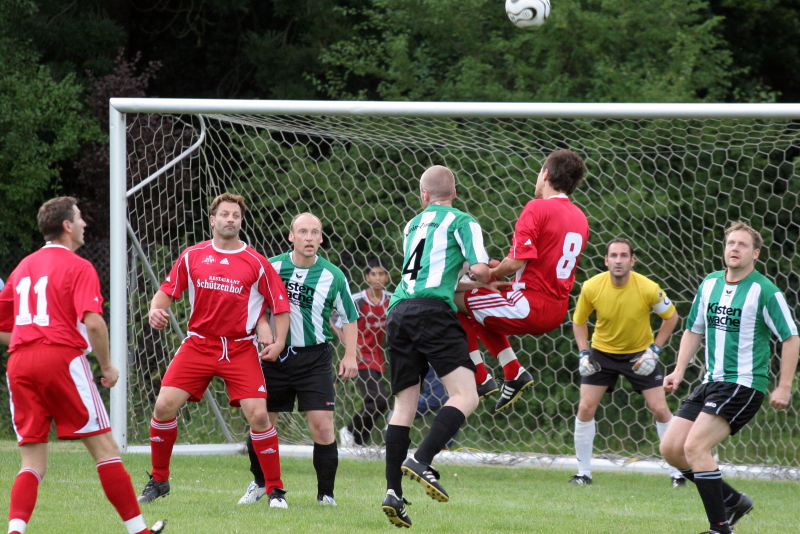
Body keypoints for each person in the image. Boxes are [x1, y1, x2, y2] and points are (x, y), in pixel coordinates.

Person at [0, 197, 165, 534]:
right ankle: (140, 531)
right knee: (106, 449)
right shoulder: (78, 266)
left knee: (32, 461)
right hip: (61, 359)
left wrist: (32, 339)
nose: (84, 223)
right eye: (79, 218)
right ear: (67, 226)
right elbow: (94, 324)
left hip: (19, 362)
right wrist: (107, 367)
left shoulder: (23, 267)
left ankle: (15, 531)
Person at [137, 192, 290, 508]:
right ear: (212, 220)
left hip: (240, 348)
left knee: (259, 415)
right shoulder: (192, 256)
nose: (230, 219)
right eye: (224, 214)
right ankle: (159, 480)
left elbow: (279, 304)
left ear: (241, 221)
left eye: (235, 215)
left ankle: (275, 490)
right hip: (198, 344)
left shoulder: (257, 262)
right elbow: (166, 292)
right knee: (163, 406)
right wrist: (155, 310)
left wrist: (279, 342)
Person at [660, 221, 799, 534]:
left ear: (756, 253)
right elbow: (693, 329)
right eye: (730, 243)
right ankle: (733, 501)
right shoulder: (710, 283)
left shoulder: (765, 291)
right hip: (712, 381)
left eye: (742, 244)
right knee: (671, 448)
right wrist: (679, 370)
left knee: (695, 446)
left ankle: (720, 528)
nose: (735, 248)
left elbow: (791, 337)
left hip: (744, 384)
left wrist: (784, 386)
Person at [381, 165, 492, 528]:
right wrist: (490, 275)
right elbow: (479, 270)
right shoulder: (463, 221)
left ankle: (393, 492)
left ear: (424, 195)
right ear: (454, 193)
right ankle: (422, 458)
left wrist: (466, 279)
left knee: (404, 406)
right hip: (432, 313)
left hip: (398, 312)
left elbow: (435, 273)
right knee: (466, 395)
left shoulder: (412, 225)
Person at [239, 212, 359, 507]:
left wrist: (350, 355)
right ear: (291, 236)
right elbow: (253, 304)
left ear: (321, 238)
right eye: (303, 232)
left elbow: (349, 317)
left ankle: (326, 495)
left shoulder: (333, 275)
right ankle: (260, 483)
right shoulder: (272, 267)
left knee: (323, 427)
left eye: (315, 232)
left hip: (314, 359)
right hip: (273, 357)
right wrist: (263, 325)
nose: (309, 238)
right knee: (262, 421)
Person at [456, 149, 590, 412]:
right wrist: (499, 274)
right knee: (478, 307)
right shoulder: (581, 218)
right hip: (557, 308)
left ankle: (480, 377)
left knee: (450, 299)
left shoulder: (537, 207)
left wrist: (490, 274)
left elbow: (516, 262)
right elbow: (542, 264)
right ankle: (512, 371)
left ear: (546, 174)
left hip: (530, 305)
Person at [570, 237, 684, 486]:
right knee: (585, 407)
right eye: (613, 256)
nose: (618, 260)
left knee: (660, 409)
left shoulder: (648, 288)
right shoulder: (591, 287)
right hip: (602, 353)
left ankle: (678, 474)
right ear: (606, 260)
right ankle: (583, 474)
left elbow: (672, 317)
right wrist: (583, 353)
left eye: (624, 256)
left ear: (632, 261)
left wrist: (654, 350)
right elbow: (579, 321)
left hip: (640, 355)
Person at [337, 259, 392, 447]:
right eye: (373, 274)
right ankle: (349, 431)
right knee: (378, 399)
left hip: (378, 356)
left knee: (378, 402)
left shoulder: (392, 299)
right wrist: (351, 347)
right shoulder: (357, 300)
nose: (377, 278)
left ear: (387, 277)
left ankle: (358, 441)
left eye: (381, 274)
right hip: (360, 357)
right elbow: (335, 321)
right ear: (367, 277)